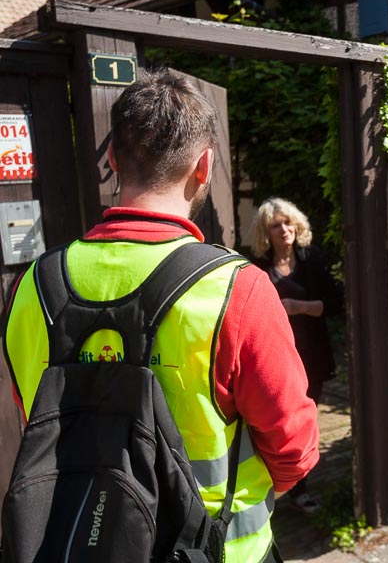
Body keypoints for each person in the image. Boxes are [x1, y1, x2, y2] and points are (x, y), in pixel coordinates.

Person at [4, 70, 320, 563]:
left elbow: (36, 418)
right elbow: (293, 447)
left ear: (111, 159)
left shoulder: (33, 288)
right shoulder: (237, 289)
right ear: (204, 166)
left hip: (71, 545)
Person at [250, 197, 343, 512]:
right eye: (276, 225)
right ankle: (274, 484)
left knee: (305, 420)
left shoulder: (313, 260)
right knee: (273, 420)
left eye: (288, 222)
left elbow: (335, 304)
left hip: (310, 357)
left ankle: (301, 488)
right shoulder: (259, 267)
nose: (284, 230)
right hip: (272, 358)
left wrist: (298, 307)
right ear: (266, 232)